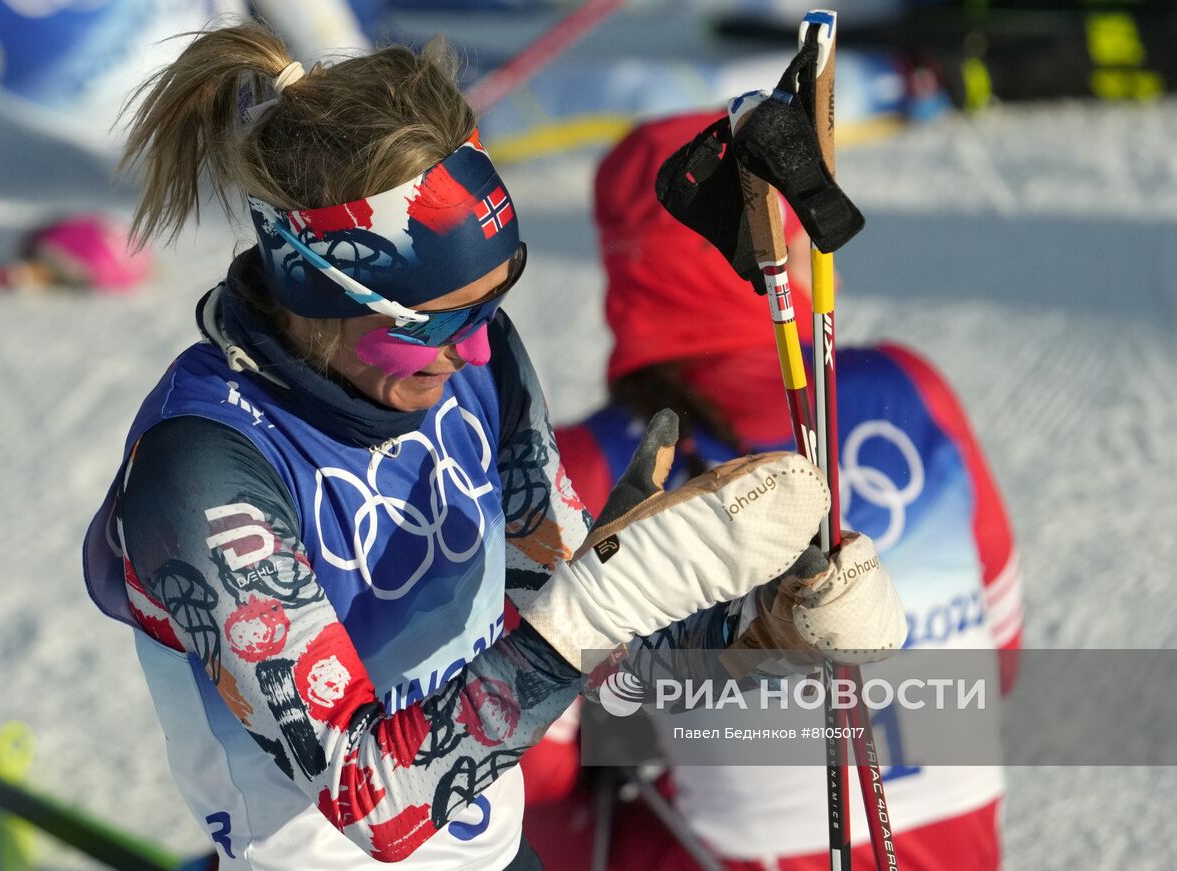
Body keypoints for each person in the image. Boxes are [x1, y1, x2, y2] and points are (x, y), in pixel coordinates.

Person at [81, 24, 907, 870]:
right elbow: (378, 803)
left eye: (489, 303)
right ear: (315, 284)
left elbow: (601, 659)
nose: (474, 349)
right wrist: (597, 604)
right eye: (434, 324)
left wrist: (768, 630)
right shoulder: (202, 467)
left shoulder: (473, 364)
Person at [522, 111, 1024, 871]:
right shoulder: (908, 386)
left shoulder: (595, 465)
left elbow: (533, 769)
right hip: (960, 852)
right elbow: (1002, 664)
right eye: (801, 243)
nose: (837, 276)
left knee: (501, 804)